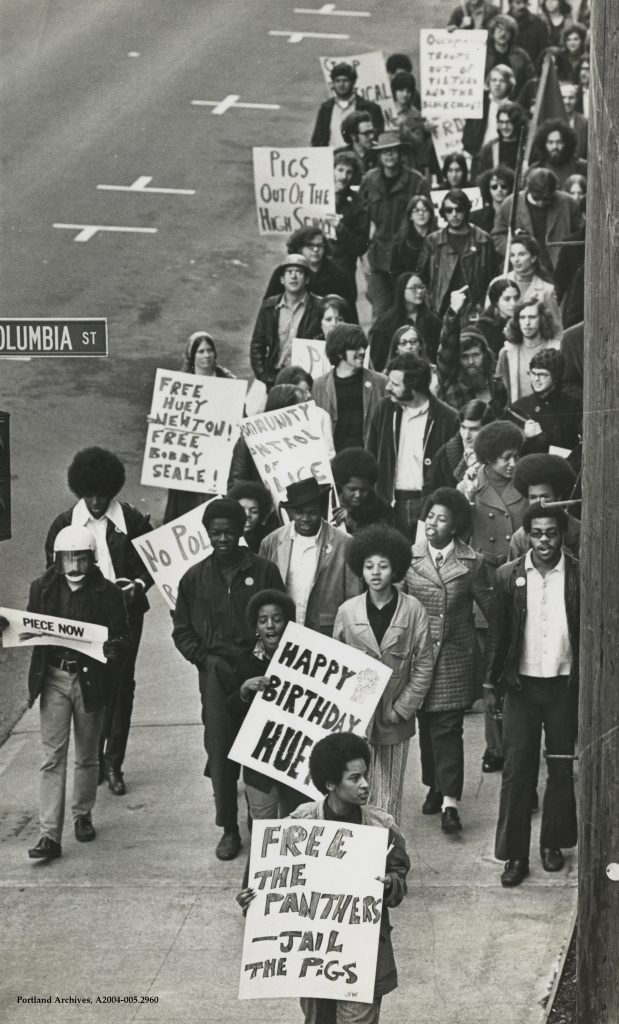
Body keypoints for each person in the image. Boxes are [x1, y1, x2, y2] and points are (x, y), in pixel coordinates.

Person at [238, 731, 411, 1024]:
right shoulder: (299, 824)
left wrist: (390, 884)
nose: (365, 784)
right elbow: (266, 879)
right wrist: (250, 899)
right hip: (313, 958)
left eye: (365, 775)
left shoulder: (382, 827)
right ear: (331, 784)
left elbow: (400, 874)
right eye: (354, 778)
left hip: (362, 956)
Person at [0, 526, 130, 861]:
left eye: (81, 558)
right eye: (68, 559)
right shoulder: (42, 589)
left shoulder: (109, 593)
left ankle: (82, 814)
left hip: (89, 680)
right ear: (57, 561)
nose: (74, 566)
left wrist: (114, 648)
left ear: (92, 560)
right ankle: (48, 835)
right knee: (51, 756)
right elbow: (28, 628)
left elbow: (120, 635)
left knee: (87, 754)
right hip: (54, 676)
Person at [172, 498, 285, 861]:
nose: (223, 538)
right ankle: (229, 828)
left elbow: (281, 617)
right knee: (221, 750)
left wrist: (266, 656)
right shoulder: (193, 578)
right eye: (216, 532)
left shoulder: (264, 570)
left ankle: (259, 818)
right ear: (206, 533)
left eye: (230, 532)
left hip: (259, 670)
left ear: (242, 531)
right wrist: (204, 660)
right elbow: (182, 630)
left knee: (262, 745)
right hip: (216, 676)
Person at [45, 447, 153, 797]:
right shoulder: (64, 525)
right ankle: (91, 759)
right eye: (89, 495)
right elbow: (51, 576)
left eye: (102, 495)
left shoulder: (133, 521)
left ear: (113, 491)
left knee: (122, 689)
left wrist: (136, 586)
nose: (95, 501)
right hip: (82, 621)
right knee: (89, 689)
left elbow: (149, 565)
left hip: (124, 620)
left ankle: (113, 763)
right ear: (79, 491)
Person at [484, 503, 580, 887]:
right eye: (537, 533)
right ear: (527, 536)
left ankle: (552, 843)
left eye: (551, 533)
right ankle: (515, 855)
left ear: (561, 535)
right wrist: (492, 684)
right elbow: (497, 635)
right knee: (517, 770)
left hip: (563, 685)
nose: (544, 540)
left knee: (559, 768)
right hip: (521, 686)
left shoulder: (576, 573)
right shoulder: (509, 576)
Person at [404, 488, 493, 832]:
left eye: (442, 518)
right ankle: (434, 785)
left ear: (455, 526)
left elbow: (490, 610)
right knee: (426, 727)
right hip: (420, 657)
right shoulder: (409, 558)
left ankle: (450, 803)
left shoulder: (473, 562)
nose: (433, 523)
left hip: (455, 658)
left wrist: (495, 656)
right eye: (430, 516)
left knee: (448, 729)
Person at [335, 525, 434, 821]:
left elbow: (424, 664)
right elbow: (336, 664)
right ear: (360, 570)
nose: (375, 573)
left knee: (389, 794)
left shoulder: (413, 609)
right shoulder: (347, 611)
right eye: (368, 566)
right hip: (356, 718)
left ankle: (387, 857)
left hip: (394, 717)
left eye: (383, 566)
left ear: (396, 569)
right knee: (355, 791)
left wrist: (403, 708)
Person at [459, 420, 527, 774]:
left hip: (519, 578)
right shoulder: (472, 483)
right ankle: (494, 746)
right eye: (504, 458)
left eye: (515, 456)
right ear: (489, 458)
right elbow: (455, 521)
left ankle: (517, 742)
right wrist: (464, 493)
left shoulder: (524, 483)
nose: (511, 463)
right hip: (486, 583)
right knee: (491, 666)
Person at [226, 589, 304, 824]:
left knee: (296, 824)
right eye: (263, 621)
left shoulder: (304, 659)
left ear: (288, 623)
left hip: (295, 760)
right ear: (255, 627)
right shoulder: (244, 660)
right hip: (259, 763)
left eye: (277, 619)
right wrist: (244, 689)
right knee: (262, 823)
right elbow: (230, 709)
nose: (271, 626)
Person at [367, 353, 460, 539]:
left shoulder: (448, 418)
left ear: (414, 386)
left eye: (395, 384)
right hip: (390, 505)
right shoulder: (384, 409)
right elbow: (371, 454)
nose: (387, 387)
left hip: (429, 506)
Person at [259, 477, 361, 634]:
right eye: (299, 513)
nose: (305, 519)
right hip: (283, 630)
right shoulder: (272, 541)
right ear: (290, 512)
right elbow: (262, 593)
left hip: (326, 633)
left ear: (321, 510)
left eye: (312, 513)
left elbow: (354, 598)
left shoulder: (345, 544)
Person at [163, 330, 236, 523]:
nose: (206, 355)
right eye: (201, 351)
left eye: (209, 350)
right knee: (188, 507)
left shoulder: (229, 382)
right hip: (190, 459)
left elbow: (239, 416)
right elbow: (170, 420)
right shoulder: (179, 385)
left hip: (217, 456)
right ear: (192, 355)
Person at [358, 132, 431, 318]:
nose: (389, 155)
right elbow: (362, 221)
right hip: (379, 259)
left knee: (411, 311)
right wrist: (364, 255)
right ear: (378, 156)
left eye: (393, 151)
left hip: (408, 258)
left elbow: (428, 221)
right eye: (384, 152)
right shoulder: (369, 181)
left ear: (400, 154)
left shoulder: (416, 181)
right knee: (381, 312)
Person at [417, 188, 498, 318]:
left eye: (459, 209)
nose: (454, 214)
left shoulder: (483, 240)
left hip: (473, 311)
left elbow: (493, 280)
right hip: (440, 310)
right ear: (443, 213)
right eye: (449, 210)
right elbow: (422, 277)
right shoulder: (432, 241)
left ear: (466, 210)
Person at [491, 167, 584, 276]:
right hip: (524, 272)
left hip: (559, 270)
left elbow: (581, 233)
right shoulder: (511, 203)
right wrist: (515, 251)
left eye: (546, 199)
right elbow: (497, 235)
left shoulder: (567, 203)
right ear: (528, 189)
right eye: (536, 198)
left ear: (554, 191)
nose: (541, 203)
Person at [249, 254, 322, 389]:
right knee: (253, 409)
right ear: (282, 279)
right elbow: (257, 344)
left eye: (299, 272)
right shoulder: (270, 307)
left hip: (306, 379)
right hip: (274, 376)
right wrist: (265, 376)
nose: (293, 276)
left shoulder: (319, 308)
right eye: (289, 272)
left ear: (307, 279)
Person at [312, 324, 387, 451]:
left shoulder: (380, 382)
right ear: (339, 352)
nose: (362, 351)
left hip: (369, 459)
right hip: (334, 462)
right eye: (356, 348)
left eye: (363, 346)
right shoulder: (319, 385)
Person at [435, 286, 507, 413]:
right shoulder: (450, 380)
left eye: (475, 355)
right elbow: (447, 346)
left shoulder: (497, 386)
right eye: (464, 356)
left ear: (484, 354)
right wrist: (453, 312)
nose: (471, 361)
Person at [263, 226, 356, 320]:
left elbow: (349, 313)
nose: (315, 249)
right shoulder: (284, 271)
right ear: (299, 248)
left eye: (319, 246)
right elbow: (268, 309)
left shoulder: (338, 275)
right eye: (310, 246)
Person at [507, 349, 582, 456]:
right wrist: (524, 437)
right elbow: (509, 452)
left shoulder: (574, 405)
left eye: (542, 375)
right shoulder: (519, 407)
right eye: (532, 373)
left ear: (555, 377)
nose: (536, 379)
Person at [509, 453, 579, 558]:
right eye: (533, 497)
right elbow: (512, 572)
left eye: (545, 496)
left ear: (558, 497)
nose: (538, 503)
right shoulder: (521, 536)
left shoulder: (579, 531)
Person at [369, 272, 441, 372]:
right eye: (414, 288)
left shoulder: (432, 321)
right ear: (401, 290)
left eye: (422, 287)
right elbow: (376, 360)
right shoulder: (386, 322)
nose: (419, 291)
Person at [497, 298, 561, 403]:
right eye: (522, 317)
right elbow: (501, 390)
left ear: (542, 319)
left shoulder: (557, 348)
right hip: (519, 413)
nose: (527, 322)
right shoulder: (507, 353)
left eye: (532, 317)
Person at [311, 61, 384, 147]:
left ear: (353, 83)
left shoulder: (371, 108)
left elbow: (377, 138)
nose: (341, 85)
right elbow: (317, 140)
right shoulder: (326, 109)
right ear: (333, 84)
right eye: (337, 81)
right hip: (332, 157)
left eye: (345, 80)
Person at [330, 151, 370, 300]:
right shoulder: (315, 196)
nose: (343, 176)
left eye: (349, 172)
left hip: (342, 271)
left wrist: (341, 230)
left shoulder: (358, 204)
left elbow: (361, 245)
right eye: (340, 170)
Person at [429, 400, 494, 490]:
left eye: (474, 429)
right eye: (463, 427)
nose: (467, 435)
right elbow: (428, 492)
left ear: (487, 429)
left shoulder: (501, 454)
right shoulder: (444, 454)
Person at [506, 232, 562, 330]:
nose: (516, 260)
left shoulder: (547, 290)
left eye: (521, 254)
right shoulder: (499, 283)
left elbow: (556, 328)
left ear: (533, 257)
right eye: (512, 255)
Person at [331, 448, 394, 533]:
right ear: (341, 485)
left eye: (364, 490)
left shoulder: (380, 509)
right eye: (352, 489)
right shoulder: (328, 504)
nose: (358, 495)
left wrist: (353, 524)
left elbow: (383, 538)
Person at [463, 64, 517, 158]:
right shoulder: (478, 103)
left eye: (502, 81)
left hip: (501, 156)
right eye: (494, 80)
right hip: (477, 155)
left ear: (509, 84)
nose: (497, 84)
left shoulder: (514, 108)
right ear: (488, 82)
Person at [388, 70, 433, 176]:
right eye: (401, 90)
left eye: (408, 91)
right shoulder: (387, 110)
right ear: (394, 91)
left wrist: (403, 129)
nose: (405, 94)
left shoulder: (416, 115)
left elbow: (418, 142)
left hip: (408, 164)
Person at [529, 118, 588, 189]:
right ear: (543, 144)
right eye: (550, 142)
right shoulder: (534, 170)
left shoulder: (581, 168)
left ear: (566, 143)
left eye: (559, 142)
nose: (555, 146)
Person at [484, 14, 536, 94]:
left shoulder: (521, 55)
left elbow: (531, 82)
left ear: (511, 35)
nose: (503, 34)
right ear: (493, 33)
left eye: (507, 31)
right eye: (499, 30)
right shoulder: (484, 54)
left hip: (514, 100)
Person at [390, 194, 438, 279]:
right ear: (410, 216)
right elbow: (396, 274)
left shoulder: (439, 237)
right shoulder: (401, 241)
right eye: (416, 210)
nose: (421, 213)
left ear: (430, 214)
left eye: (425, 210)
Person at [474, 101, 526, 179]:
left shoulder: (526, 148)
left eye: (508, 122)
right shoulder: (488, 149)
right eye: (501, 122)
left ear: (517, 123)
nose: (504, 127)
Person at [476, 274, 521, 356]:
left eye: (516, 298)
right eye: (507, 299)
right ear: (496, 301)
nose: (513, 303)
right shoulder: (484, 326)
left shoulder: (523, 321)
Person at [226, 481, 275, 553]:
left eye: (254, 511)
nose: (247, 515)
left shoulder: (268, 540)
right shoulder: (223, 536)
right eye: (241, 510)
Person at [471, 166, 515, 236]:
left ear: (510, 188)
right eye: (494, 187)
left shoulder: (515, 214)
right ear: (487, 189)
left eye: (504, 186)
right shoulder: (476, 217)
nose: (499, 190)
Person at [507, 0, 551, 67]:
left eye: (524, 3)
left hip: (532, 71)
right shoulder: (502, 24)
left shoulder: (539, 23)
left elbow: (544, 51)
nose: (522, 6)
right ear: (510, 4)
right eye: (518, 3)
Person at [339, 110, 379, 176]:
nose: (372, 136)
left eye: (372, 132)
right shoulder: (341, 155)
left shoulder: (378, 153)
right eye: (366, 133)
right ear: (353, 136)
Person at [559, 80, 588, 159]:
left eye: (571, 98)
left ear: (576, 99)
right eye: (563, 97)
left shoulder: (584, 123)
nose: (567, 101)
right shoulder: (551, 121)